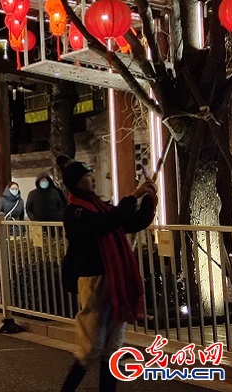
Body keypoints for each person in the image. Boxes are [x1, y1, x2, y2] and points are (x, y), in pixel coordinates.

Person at [57, 155, 156, 392]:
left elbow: (130, 222)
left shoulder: (100, 207)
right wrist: (134, 196)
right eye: (86, 176)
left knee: (113, 345)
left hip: (115, 279)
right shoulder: (75, 212)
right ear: (77, 183)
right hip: (93, 279)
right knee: (89, 347)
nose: (92, 178)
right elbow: (105, 224)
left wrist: (150, 200)